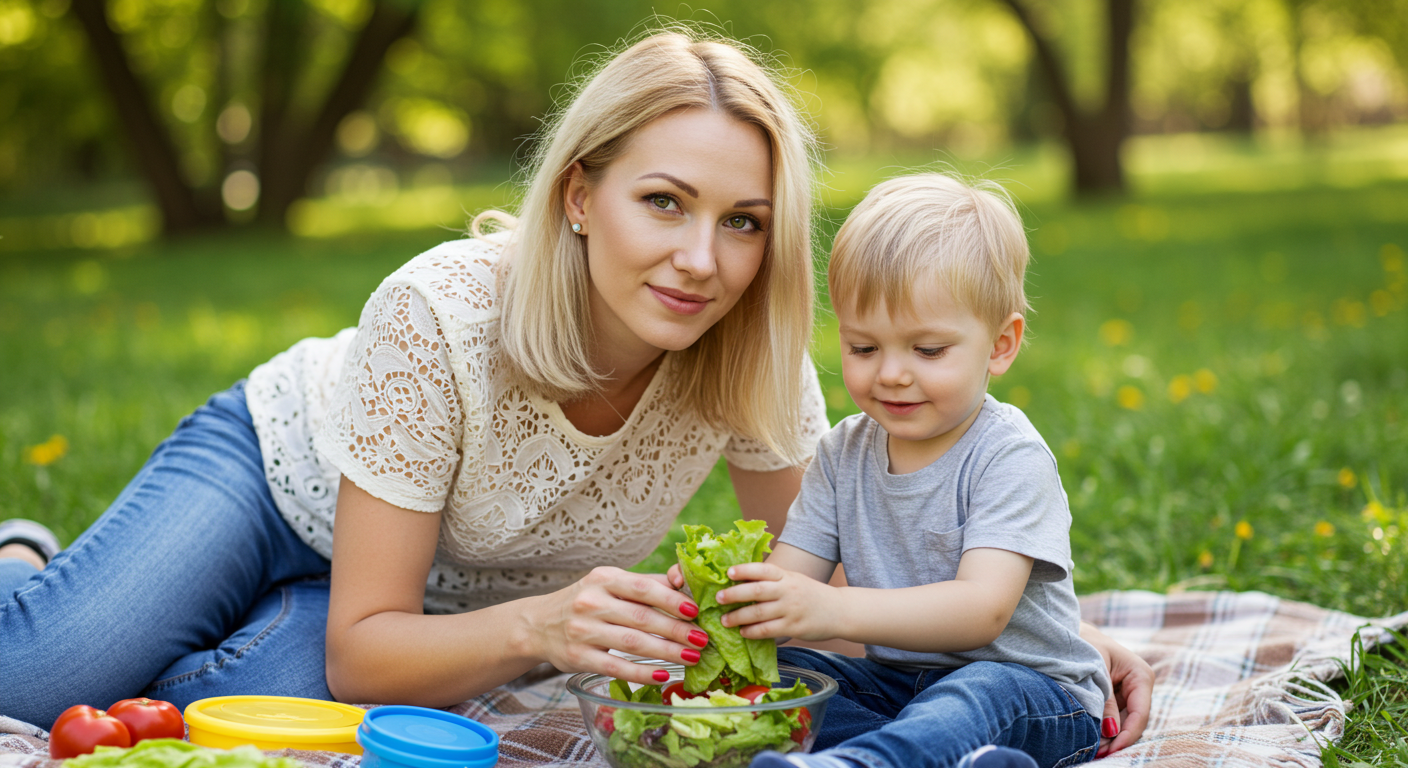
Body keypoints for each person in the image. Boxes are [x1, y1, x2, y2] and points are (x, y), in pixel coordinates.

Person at [0, 27, 1150, 752]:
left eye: (742, 222)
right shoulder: (440, 312)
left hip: (415, 608)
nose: (700, 260)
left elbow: (840, 571)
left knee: (258, 715)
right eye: (664, 202)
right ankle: (23, 563)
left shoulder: (745, 356)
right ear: (580, 195)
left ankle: (233, 615)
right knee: (37, 677)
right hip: (275, 480)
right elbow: (368, 650)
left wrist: (1049, 632)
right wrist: (541, 627)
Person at [706, 174, 1122, 768]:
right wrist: (726, 601)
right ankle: (952, 759)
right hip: (897, 687)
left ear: (1000, 345)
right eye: (863, 348)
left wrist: (832, 609)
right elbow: (789, 579)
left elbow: (982, 611)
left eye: (927, 350)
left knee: (977, 693)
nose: (891, 374)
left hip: (1033, 693)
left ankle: (861, 762)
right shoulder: (841, 453)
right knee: (785, 676)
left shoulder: (1008, 455)